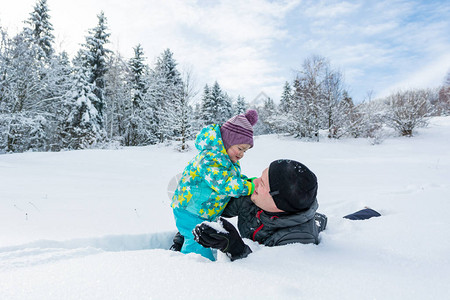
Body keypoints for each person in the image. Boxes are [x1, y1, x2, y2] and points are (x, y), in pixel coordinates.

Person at [191, 159, 326, 261]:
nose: (254, 181)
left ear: (277, 204)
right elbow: (213, 209)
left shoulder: (298, 238)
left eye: (262, 183)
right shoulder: (255, 197)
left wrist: (234, 248)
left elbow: (269, 272)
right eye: (261, 177)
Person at [171, 110, 259, 261]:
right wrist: (248, 187)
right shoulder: (211, 159)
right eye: (240, 148)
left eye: (245, 151)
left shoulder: (226, 159)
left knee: (199, 238)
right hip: (190, 209)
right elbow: (224, 184)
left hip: (202, 210)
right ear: (228, 141)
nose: (242, 154)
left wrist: (247, 181)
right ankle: (193, 269)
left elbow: (232, 178)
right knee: (197, 242)